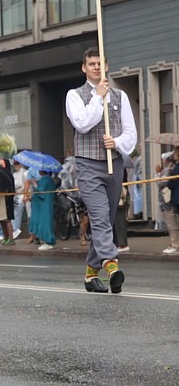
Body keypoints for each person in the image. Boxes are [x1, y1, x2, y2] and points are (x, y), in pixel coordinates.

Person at [66, 46, 137, 294]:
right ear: (84, 68)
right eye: (91, 63)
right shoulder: (74, 95)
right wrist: (97, 96)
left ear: (106, 66)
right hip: (88, 164)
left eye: (100, 63)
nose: (96, 67)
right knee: (98, 215)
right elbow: (83, 123)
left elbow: (131, 134)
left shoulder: (120, 96)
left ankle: (90, 274)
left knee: (105, 219)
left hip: (114, 163)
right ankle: (111, 265)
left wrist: (116, 142)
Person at [29, 170, 57, 250]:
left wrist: (34, 183)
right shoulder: (49, 180)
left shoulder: (45, 179)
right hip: (47, 204)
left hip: (44, 205)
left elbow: (40, 191)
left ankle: (48, 241)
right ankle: (47, 241)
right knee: (46, 222)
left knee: (45, 222)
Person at [164, 147, 179, 254]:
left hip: (177, 197)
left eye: (175, 152)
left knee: (174, 223)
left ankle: (175, 245)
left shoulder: (177, 167)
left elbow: (172, 182)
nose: (173, 154)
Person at [11, 160, 28, 240]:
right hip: (16, 195)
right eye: (14, 164)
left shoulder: (24, 173)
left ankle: (16, 230)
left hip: (22, 195)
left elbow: (24, 185)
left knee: (18, 213)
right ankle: (15, 230)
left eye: (17, 163)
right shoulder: (14, 174)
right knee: (16, 214)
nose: (15, 165)